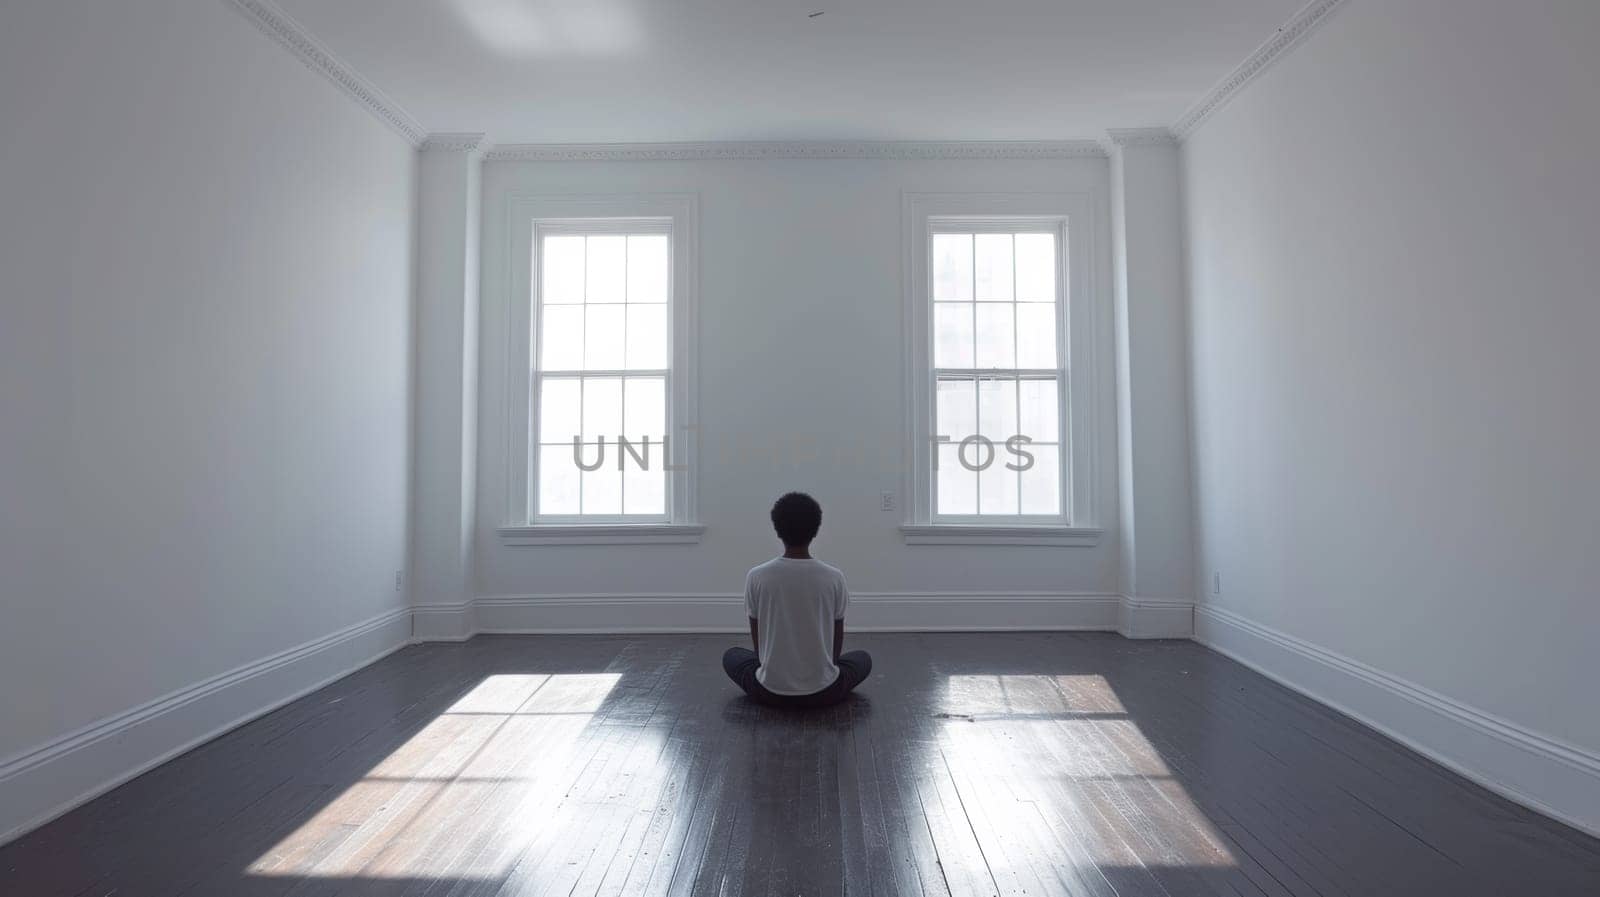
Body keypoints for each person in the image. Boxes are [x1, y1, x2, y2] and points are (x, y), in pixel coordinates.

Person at [722, 492, 872, 708]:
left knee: (732, 656)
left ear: (777, 530)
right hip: (824, 691)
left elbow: (758, 640)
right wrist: (825, 671)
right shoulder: (834, 577)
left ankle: (774, 676)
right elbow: (836, 639)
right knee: (862, 659)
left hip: (769, 691)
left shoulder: (756, 576)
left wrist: (767, 667)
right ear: (816, 530)